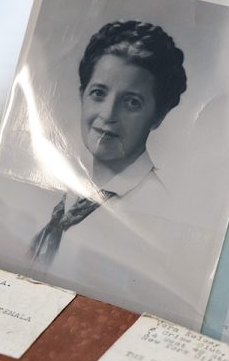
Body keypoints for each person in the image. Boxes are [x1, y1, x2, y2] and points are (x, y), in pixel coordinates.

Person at [29, 20, 187, 267]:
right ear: (82, 95)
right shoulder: (71, 194)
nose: (108, 114)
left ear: (158, 116)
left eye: (132, 102)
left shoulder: (153, 213)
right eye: (99, 93)